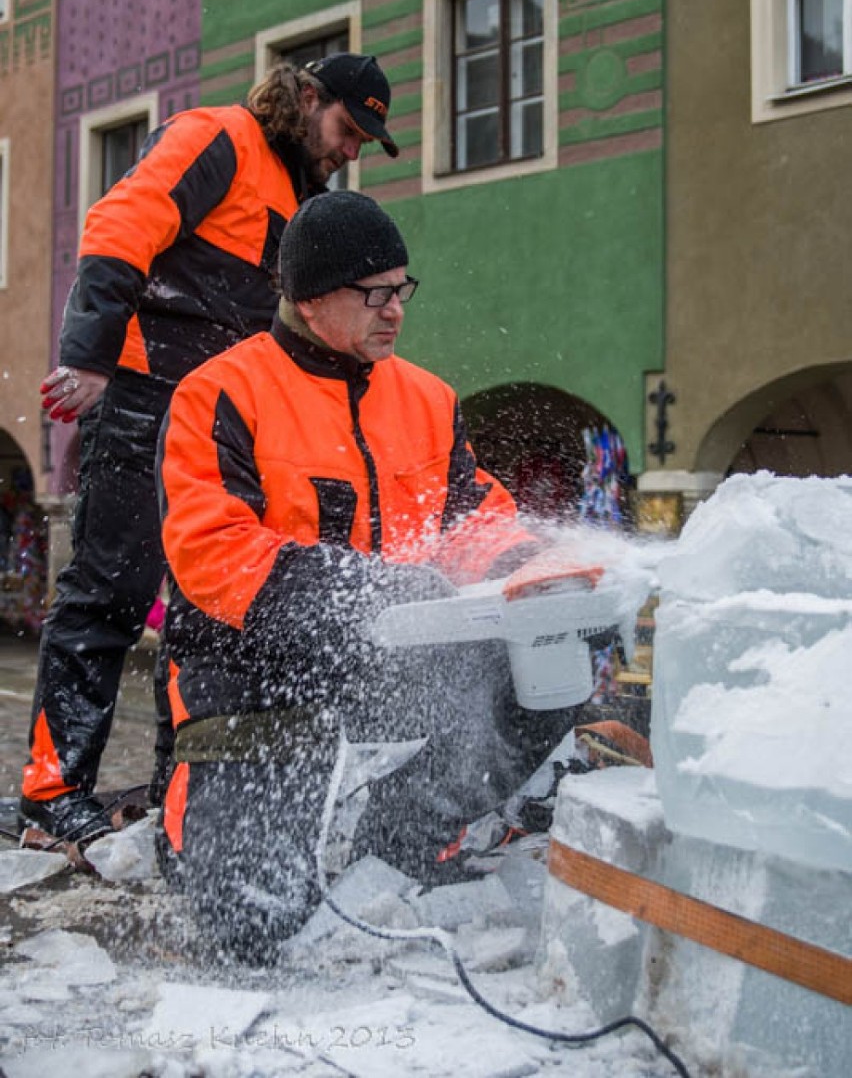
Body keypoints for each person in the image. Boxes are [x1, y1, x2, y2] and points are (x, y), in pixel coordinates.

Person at [154, 190, 555, 963]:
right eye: (374, 294)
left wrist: (529, 569)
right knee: (252, 926)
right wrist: (362, 590)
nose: (395, 309)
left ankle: (404, 840)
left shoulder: (430, 401)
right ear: (309, 299)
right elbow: (212, 552)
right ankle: (199, 827)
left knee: (539, 676)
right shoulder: (220, 393)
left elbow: (473, 519)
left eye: (403, 288)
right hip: (250, 669)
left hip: (391, 656)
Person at [20, 54, 400, 845]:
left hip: (225, 421)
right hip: (142, 397)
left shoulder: (304, 202)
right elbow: (119, 224)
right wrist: (89, 354)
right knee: (108, 592)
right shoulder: (218, 139)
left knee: (203, 608)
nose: (351, 151)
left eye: (365, 141)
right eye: (347, 129)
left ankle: (176, 786)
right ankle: (51, 794)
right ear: (308, 98)